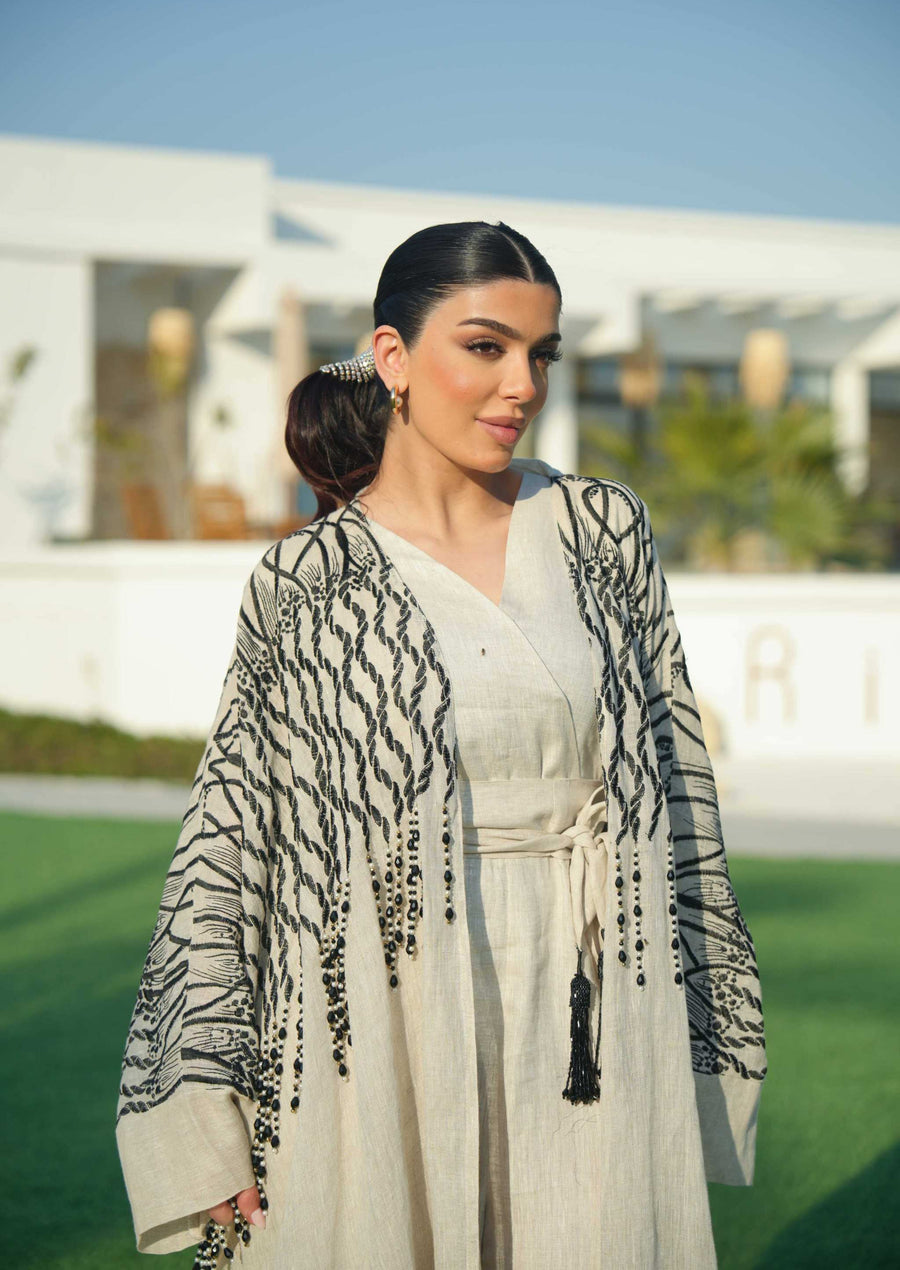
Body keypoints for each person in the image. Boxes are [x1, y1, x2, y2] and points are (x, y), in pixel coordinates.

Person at [116, 220, 768, 1269]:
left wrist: (704, 1034)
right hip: (383, 1020)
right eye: (485, 346)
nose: (523, 384)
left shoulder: (603, 529)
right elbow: (228, 849)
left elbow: (678, 780)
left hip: (593, 1000)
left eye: (541, 355)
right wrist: (204, 1116)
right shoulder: (306, 584)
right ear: (392, 357)